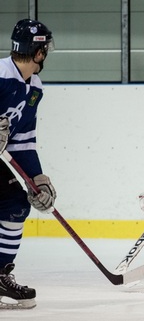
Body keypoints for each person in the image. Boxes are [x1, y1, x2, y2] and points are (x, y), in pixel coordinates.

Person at [0, 19, 57, 309]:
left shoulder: (34, 87)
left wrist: (36, 178)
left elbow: (21, 141)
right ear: (38, 52)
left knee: (16, 205)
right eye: (45, 48)